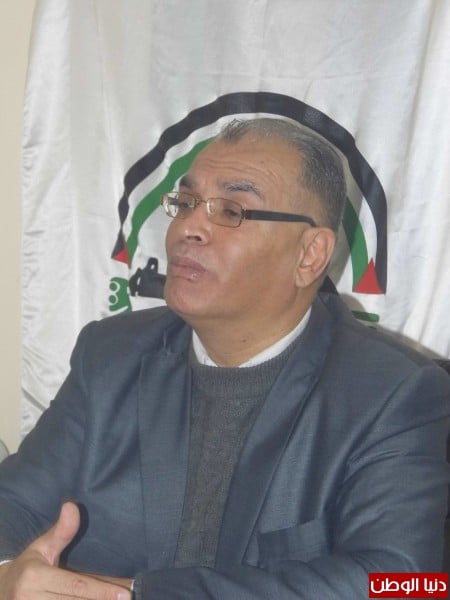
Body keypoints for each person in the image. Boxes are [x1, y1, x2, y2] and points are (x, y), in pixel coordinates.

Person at [0, 118, 449, 599]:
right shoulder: (111, 355)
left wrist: (133, 594)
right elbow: (15, 504)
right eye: (186, 202)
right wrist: (9, 572)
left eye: (231, 210)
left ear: (310, 255)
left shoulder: (394, 392)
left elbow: (403, 582)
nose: (188, 228)